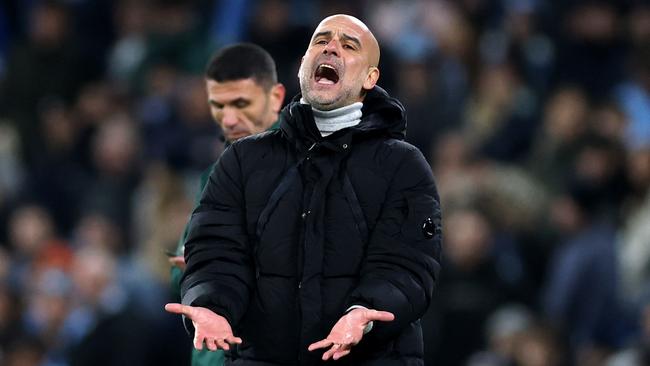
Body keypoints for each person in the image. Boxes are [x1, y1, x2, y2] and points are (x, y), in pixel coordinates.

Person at [166, 14, 442, 365]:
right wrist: (210, 304)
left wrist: (365, 311)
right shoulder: (242, 160)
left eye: (348, 45)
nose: (331, 47)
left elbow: (408, 265)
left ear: (371, 78)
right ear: (302, 66)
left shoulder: (402, 166)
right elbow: (215, 251)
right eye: (321, 40)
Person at [168, 43, 286, 366]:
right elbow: (179, 271)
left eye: (241, 103)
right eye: (218, 105)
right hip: (212, 356)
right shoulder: (214, 176)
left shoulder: (306, 168)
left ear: (275, 97)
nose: (229, 119)